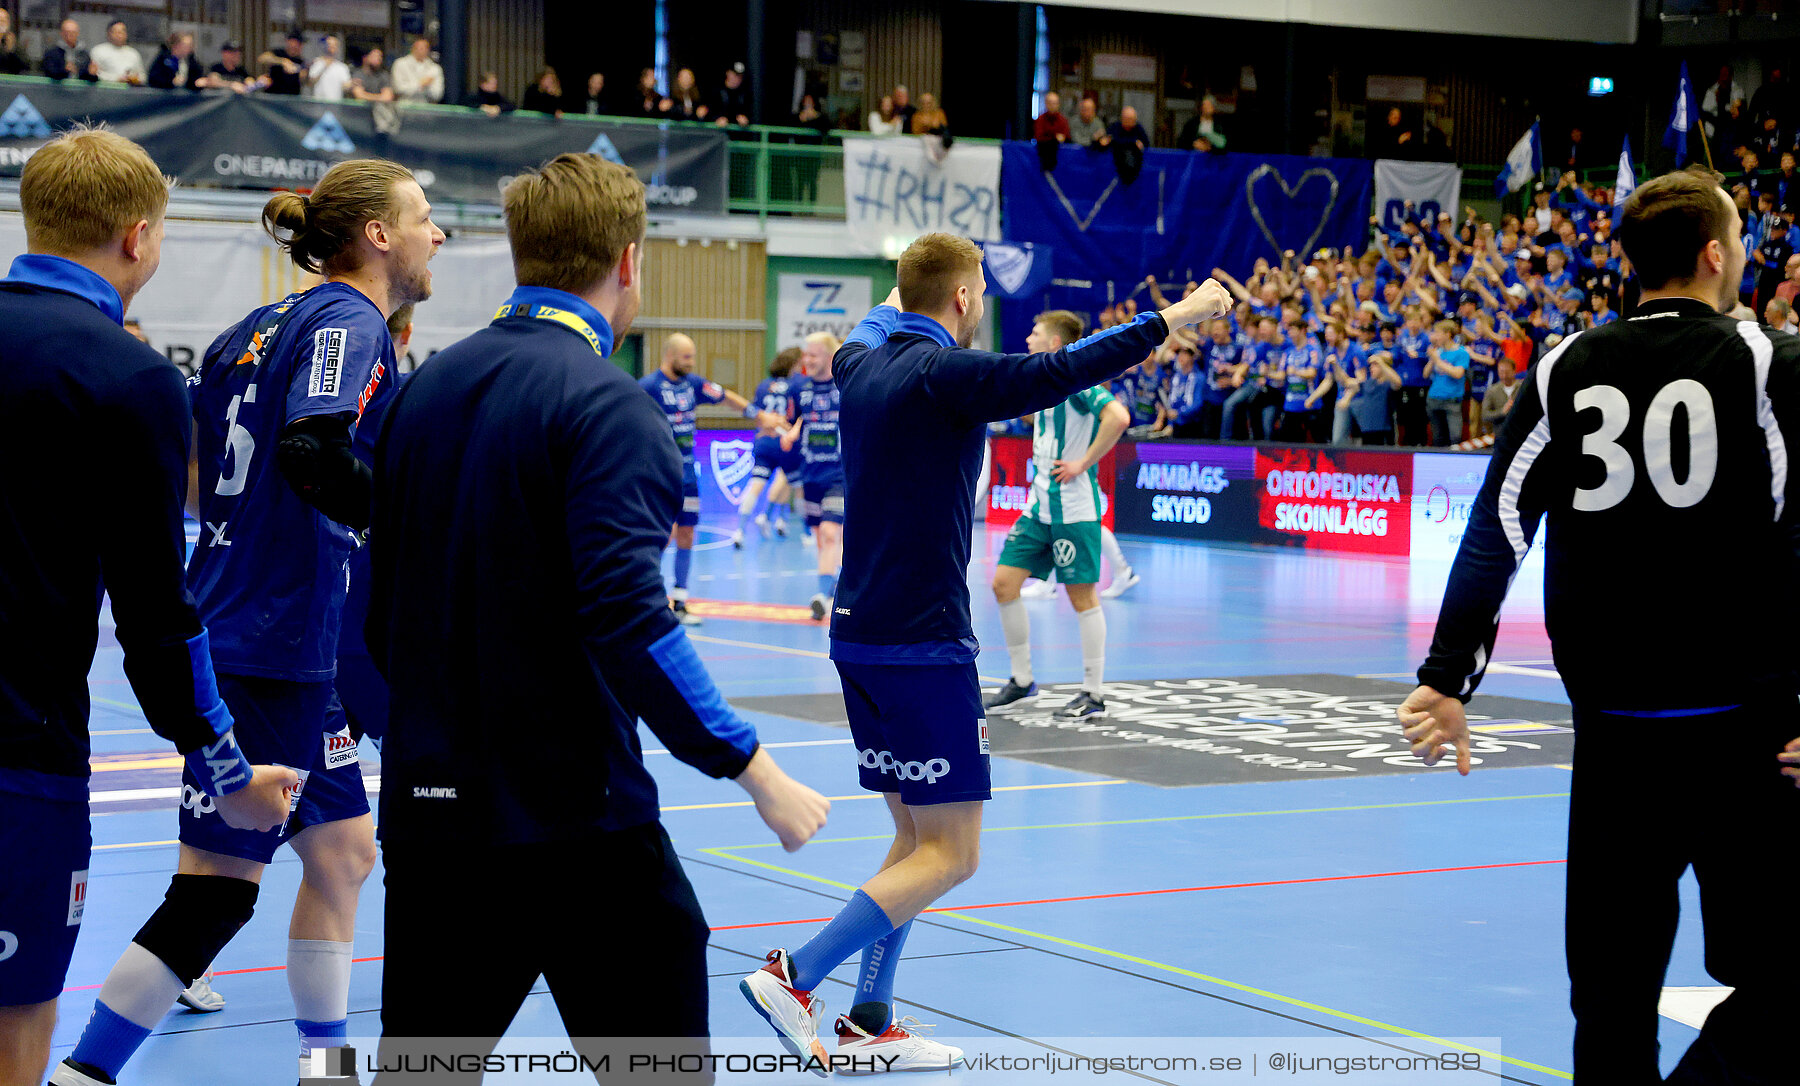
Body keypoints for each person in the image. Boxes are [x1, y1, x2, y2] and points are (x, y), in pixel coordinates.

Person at [365, 152, 827, 1071]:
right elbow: (630, 617)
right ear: (627, 261)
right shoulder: (609, 406)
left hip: (431, 819)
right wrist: (750, 763)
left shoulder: (426, 387)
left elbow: (379, 608)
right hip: (576, 823)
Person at [737, 233, 1230, 1072]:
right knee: (954, 853)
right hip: (923, 643)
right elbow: (1056, 373)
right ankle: (797, 976)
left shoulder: (857, 361)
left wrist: (910, 282)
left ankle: (869, 1018)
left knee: (911, 840)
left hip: (858, 636)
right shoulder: (945, 376)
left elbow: (881, 314)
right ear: (964, 300)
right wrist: (1174, 318)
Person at [1399, 168, 1800, 1084]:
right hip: (1746, 731)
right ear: (1714, 254)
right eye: (1735, 241)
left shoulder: (1562, 367)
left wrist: (1447, 674)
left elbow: (1497, 523)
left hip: (1616, 740)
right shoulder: (1769, 362)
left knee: (1611, 1000)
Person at [50, 159, 442, 1086]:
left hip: (263, 629)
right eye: (423, 218)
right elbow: (313, 447)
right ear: (378, 235)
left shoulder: (247, 330)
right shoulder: (351, 319)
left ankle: (323, 1067)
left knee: (343, 854)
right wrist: (413, 512)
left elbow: (208, 471)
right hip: (268, 643)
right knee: (215, 893)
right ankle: (84, 1074)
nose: (436, 236)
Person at [0, 125, 294, 1086]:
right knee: (14, 1040)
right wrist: (228, 767)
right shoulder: (127, 379)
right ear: (137, 238)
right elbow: (156, 618)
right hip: (21, 758)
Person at [985, 309, 1132, 721]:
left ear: (1055, 343)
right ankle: (1021, 681)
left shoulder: (1078, 381)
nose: (1028, 338)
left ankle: (1093, 693)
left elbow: (1118, 417)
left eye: (1035, 333)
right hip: (1040, 506)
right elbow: (1036, 417)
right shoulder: (1046, 381)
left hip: (1074, 509)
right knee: (1003, 584)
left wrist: (1082, 462)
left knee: (1081, 597)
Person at [640, 334, 778, 626]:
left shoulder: (693, 385)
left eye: (692, 356)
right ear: (670, 355)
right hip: (658, 471)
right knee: (661, 535)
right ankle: (647, 597)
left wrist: (757, 415)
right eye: (686, 357)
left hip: (688, 473)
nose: (691, 362)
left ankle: (680, 599)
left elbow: (725, 396)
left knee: (687, 533)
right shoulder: (649, 387)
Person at [781, 333, 846, 620]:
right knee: (822, 537)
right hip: (811, 474)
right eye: (805, 355)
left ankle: (825, 597)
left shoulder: (846, 385)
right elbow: (798, 417)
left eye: (814, 355)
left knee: (832, 533)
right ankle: (834, 587)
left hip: (839, 473)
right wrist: (793, 431)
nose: (807, 361)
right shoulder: (799, 389)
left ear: (830, 357)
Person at [734, 347, 803, 547]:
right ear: (793, 365)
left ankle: (739, 531)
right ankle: (808, 533)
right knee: (797, 486)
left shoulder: (764, 385)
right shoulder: (797, 384)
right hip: (786, 441)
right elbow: (801, 415)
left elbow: (757, 415)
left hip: (764, 440)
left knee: (756, 485)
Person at [1423, 319, 1468, 446]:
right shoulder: (1438, 352)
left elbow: (1457, 374)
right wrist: (1433, 358)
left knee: (1455, 438)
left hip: (1451, 401)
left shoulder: (1461, 352)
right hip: (1434, 399)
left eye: (1437, 333)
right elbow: (1425, 374)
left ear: (1448, 334)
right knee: (1437, 438)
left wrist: (1437, 360)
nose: (1434, 336)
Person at [390, 37, 444, 104]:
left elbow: (437, 94)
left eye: (425, 48)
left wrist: (412, 87)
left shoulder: (435, 68)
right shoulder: (400, 64)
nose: (422, 50)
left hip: (426, 109)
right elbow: (398, 89)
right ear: (413, 49)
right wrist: (420, 84)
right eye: (419, 48)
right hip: (405, 108)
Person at [307, 35, 351, 101]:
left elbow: (346, 86)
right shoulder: (316, 63)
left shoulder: (342, 67)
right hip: (318, 104)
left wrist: (352, 84)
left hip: (335, 105)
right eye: (329, 44)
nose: (332, 47)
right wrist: (324, 67)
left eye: (335, 45)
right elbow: (311, 83)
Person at [714, 62, 751, 127]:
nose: (737, 79)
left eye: (740, 76)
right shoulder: (716, 91)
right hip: (716, 133)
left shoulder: (745, 94)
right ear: (728, 73)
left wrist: (745, 120)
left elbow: (750, 114)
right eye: (735, 75)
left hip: (738, 134)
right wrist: (717, 119)